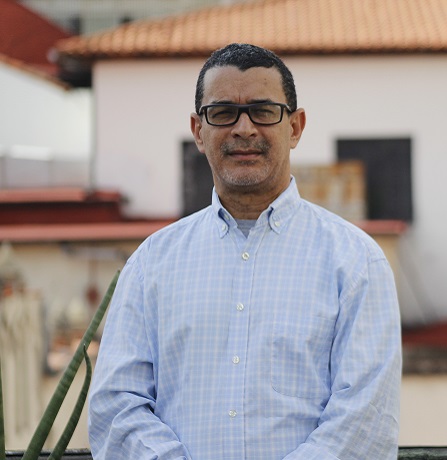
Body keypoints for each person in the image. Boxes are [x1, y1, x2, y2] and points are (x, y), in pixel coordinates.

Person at [88, 43, 402, 459]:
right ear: (198, 131)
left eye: (263, 111)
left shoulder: (356, 262)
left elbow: (366, 420)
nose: (244, 128)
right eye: (223, 113)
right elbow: (115, 407)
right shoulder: (152, 264)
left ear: (295, 127)